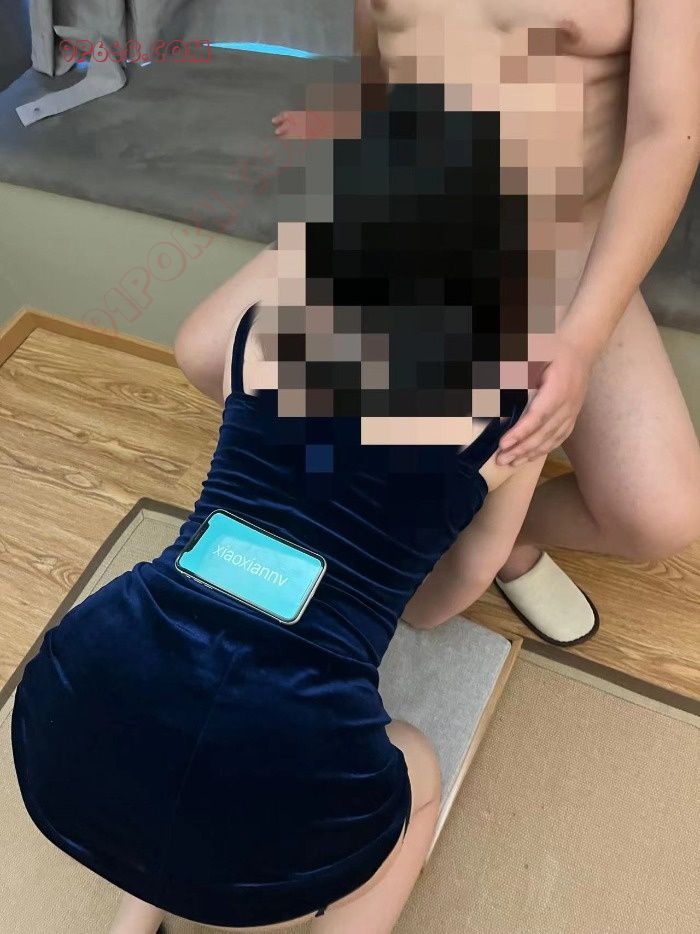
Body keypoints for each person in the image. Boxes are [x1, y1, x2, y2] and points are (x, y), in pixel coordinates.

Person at [11, 81, 543, 933]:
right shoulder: (517, 419)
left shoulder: (261, 328)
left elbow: (214, 346)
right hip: (280, 791)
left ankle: (133, 920)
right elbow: (451, 593)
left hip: (78, 720)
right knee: (415, 767)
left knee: (165, 731)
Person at [273, 0, 700, 646]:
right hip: (409, 219)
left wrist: (581, 342)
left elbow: (666, 134)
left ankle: (501, 533)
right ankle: (428, 526)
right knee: (212, 351)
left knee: (658, 514)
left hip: (559, 246)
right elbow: (384, 60)